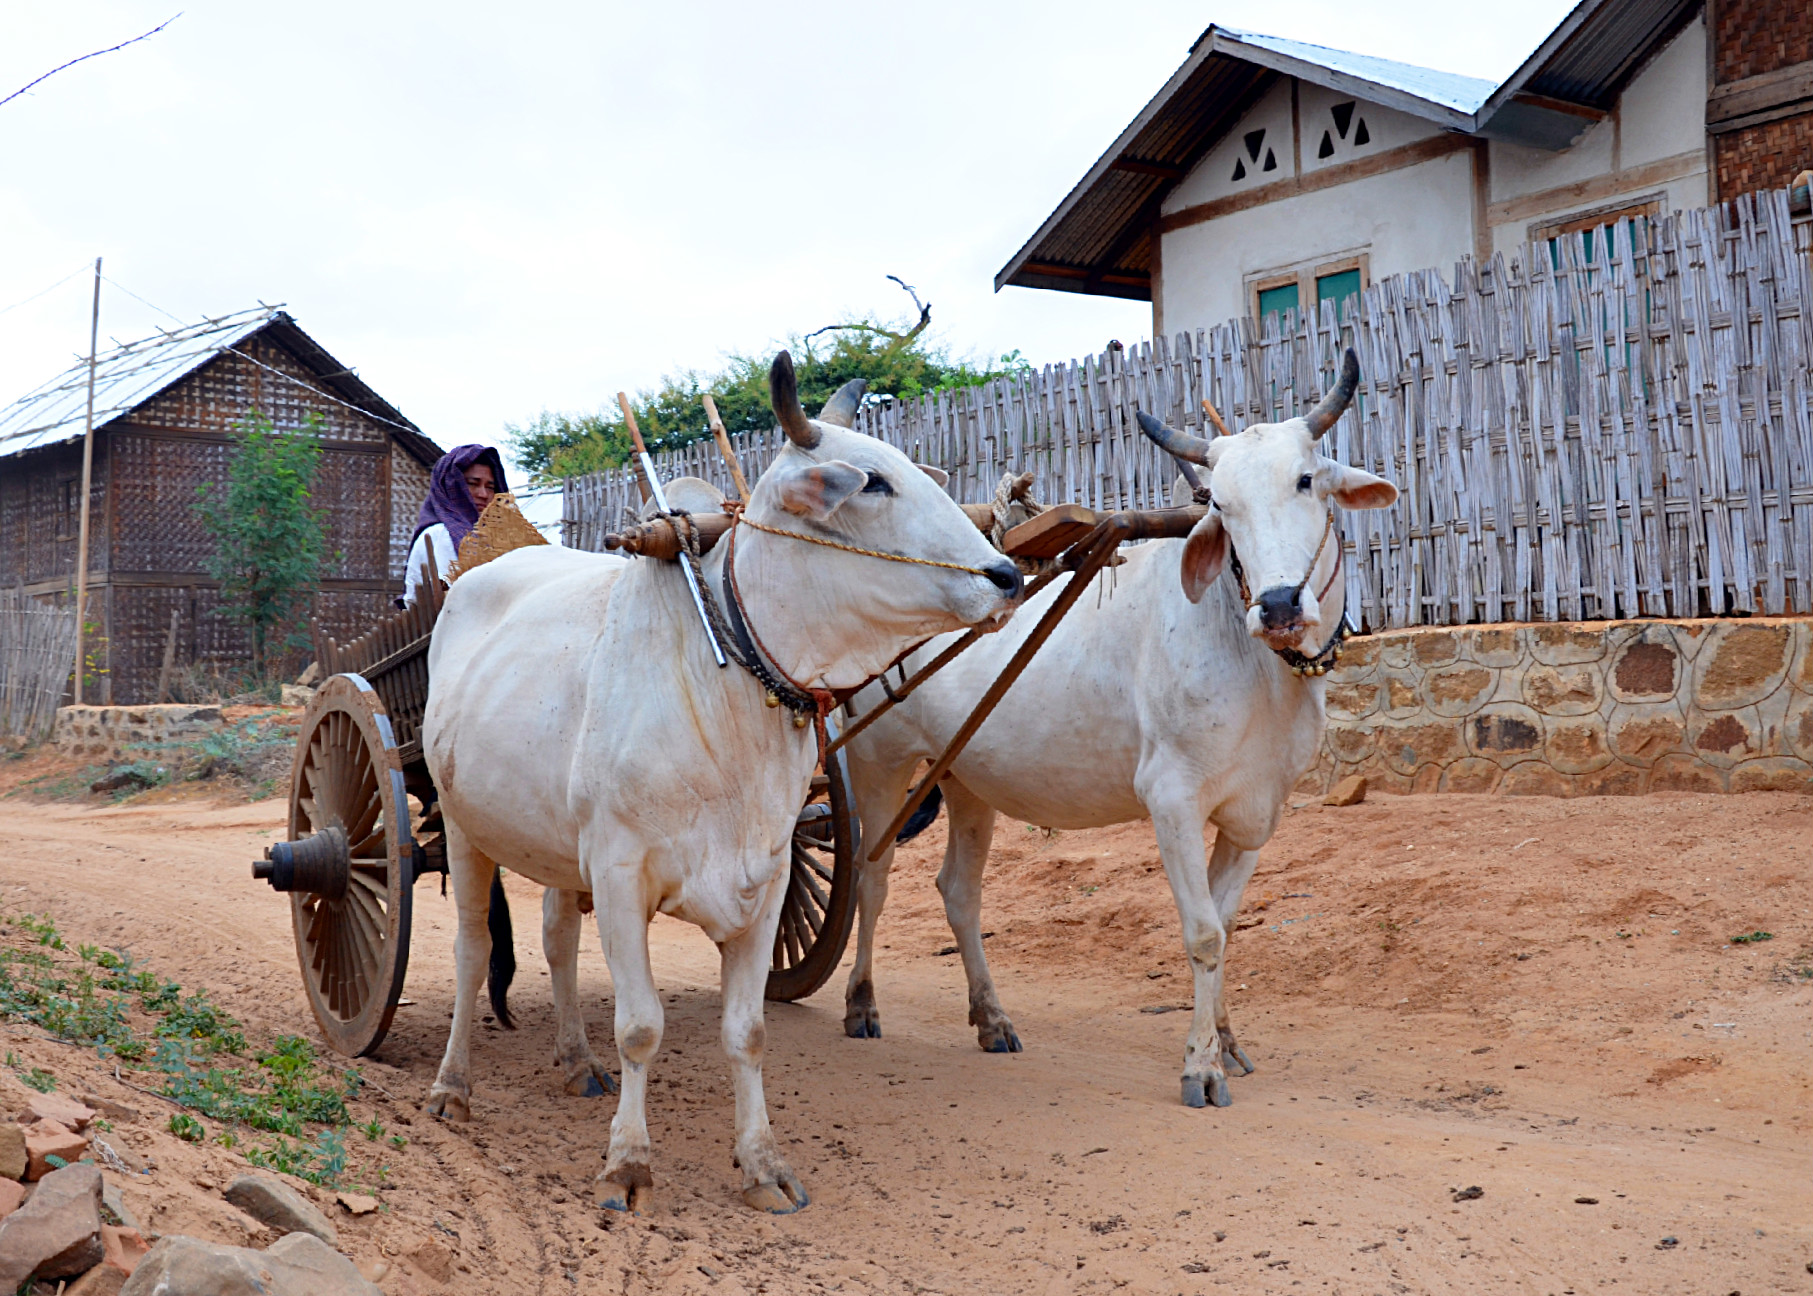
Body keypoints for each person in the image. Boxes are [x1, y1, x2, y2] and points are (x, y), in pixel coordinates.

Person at [402, 444, 509, 605]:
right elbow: (454, 597)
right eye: (473, 483)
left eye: (490, 487)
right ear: (451, 486)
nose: (483, 494)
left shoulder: (491, 537)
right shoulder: (440, 535)